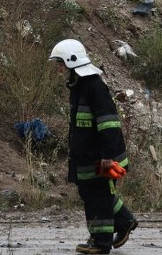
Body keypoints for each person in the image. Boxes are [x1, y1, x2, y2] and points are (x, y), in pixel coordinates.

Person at [49, 39, 138, 254]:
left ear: (71, 61)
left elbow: (109, 123)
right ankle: (124, 221)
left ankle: (101, 242)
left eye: (60, 63)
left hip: (100, 156)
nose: (59, 68)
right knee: (93, 193)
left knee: (97, 196)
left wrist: (108, 156)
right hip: (89, 155)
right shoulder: (80, 85)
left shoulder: (93, 86)